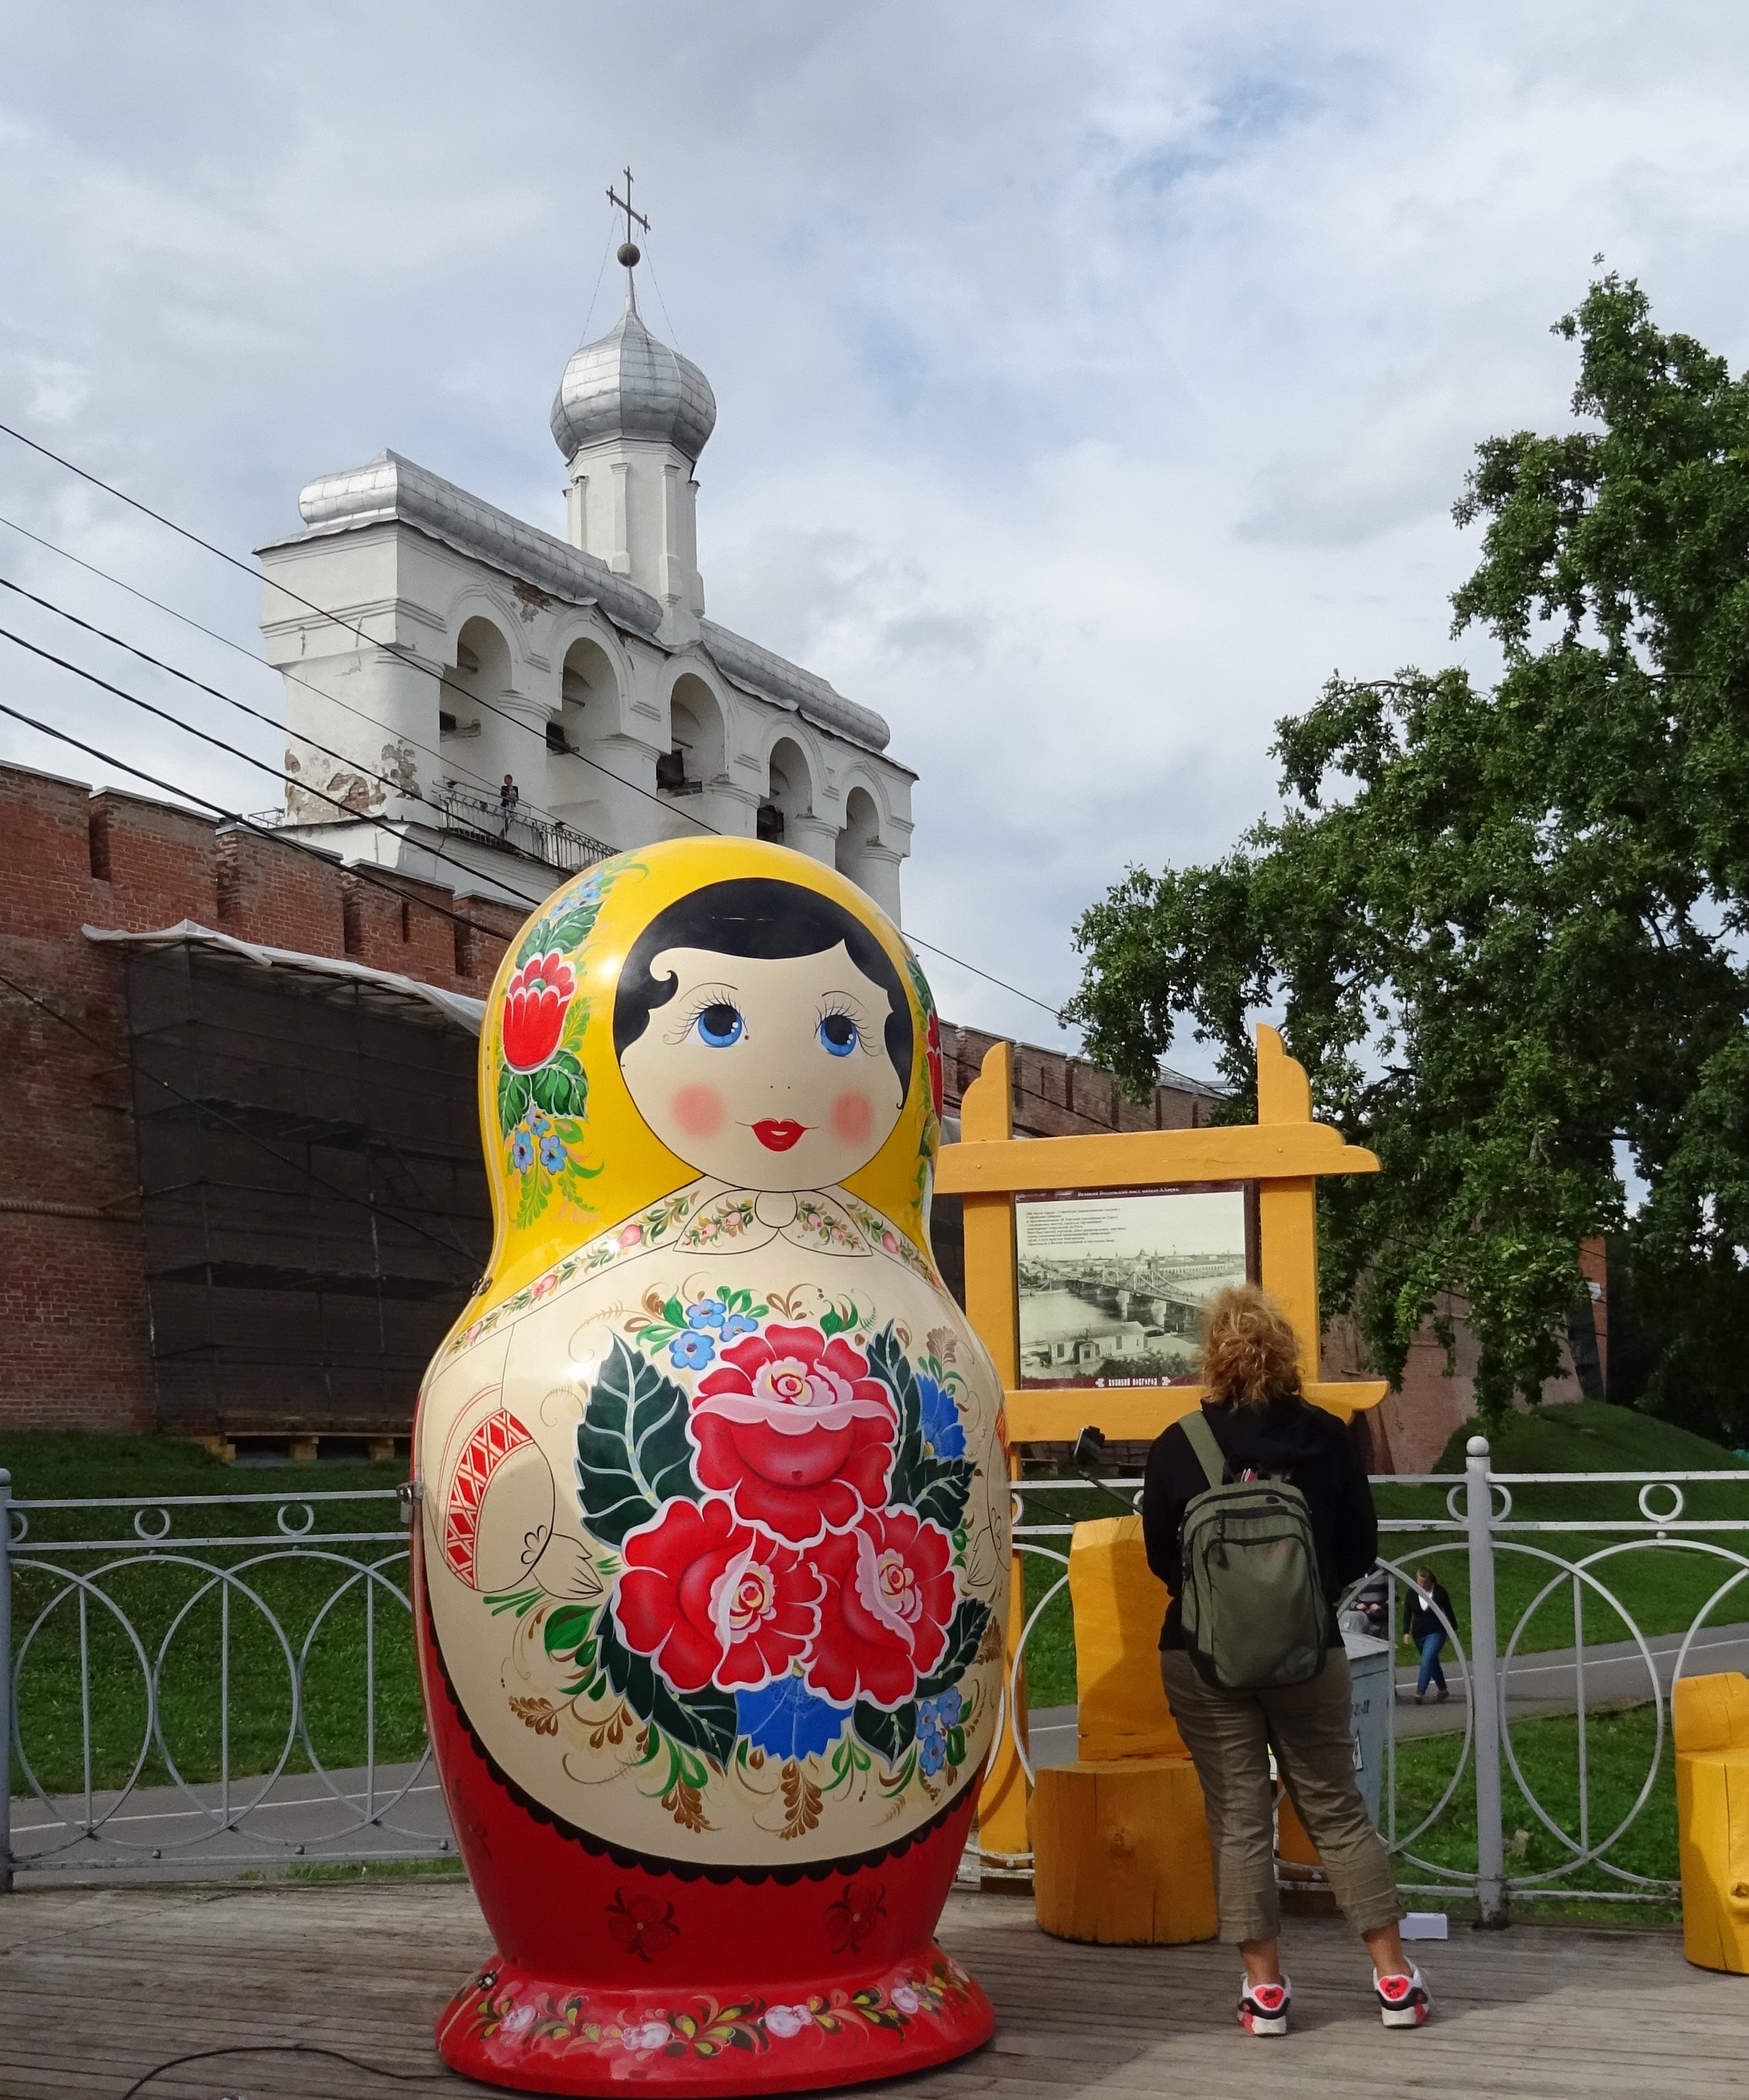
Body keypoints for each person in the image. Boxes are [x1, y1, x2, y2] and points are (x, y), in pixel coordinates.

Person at [1141, 1284, 1431, 2036]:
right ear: (1286, 1352)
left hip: (1201, 1658)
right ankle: (1394, 1979)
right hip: (1309, 1653)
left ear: (1212, 1355)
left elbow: (1157, 1558)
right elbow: (1358, 1551)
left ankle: (1263, 1993)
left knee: (1238, 1819)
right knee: (1335, 1808)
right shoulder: (1327, 1437)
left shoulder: (1179, 1444)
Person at [1402, 1567, 1454, 1703]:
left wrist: (1454, 1630)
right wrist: (1406, 1632)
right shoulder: (1412, 1593)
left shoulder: (1440, 1593)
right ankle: (1443, 1690)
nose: (1422, 1585)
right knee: (1432, 1662)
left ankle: (1420, 1692)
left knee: (1427, 1659)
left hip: (1436, 1632)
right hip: (1419, 1634)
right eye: (1420, 1582)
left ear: (1431, 1580)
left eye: (1425, 1582)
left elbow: (1449, 1612)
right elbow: (1407, 1613)